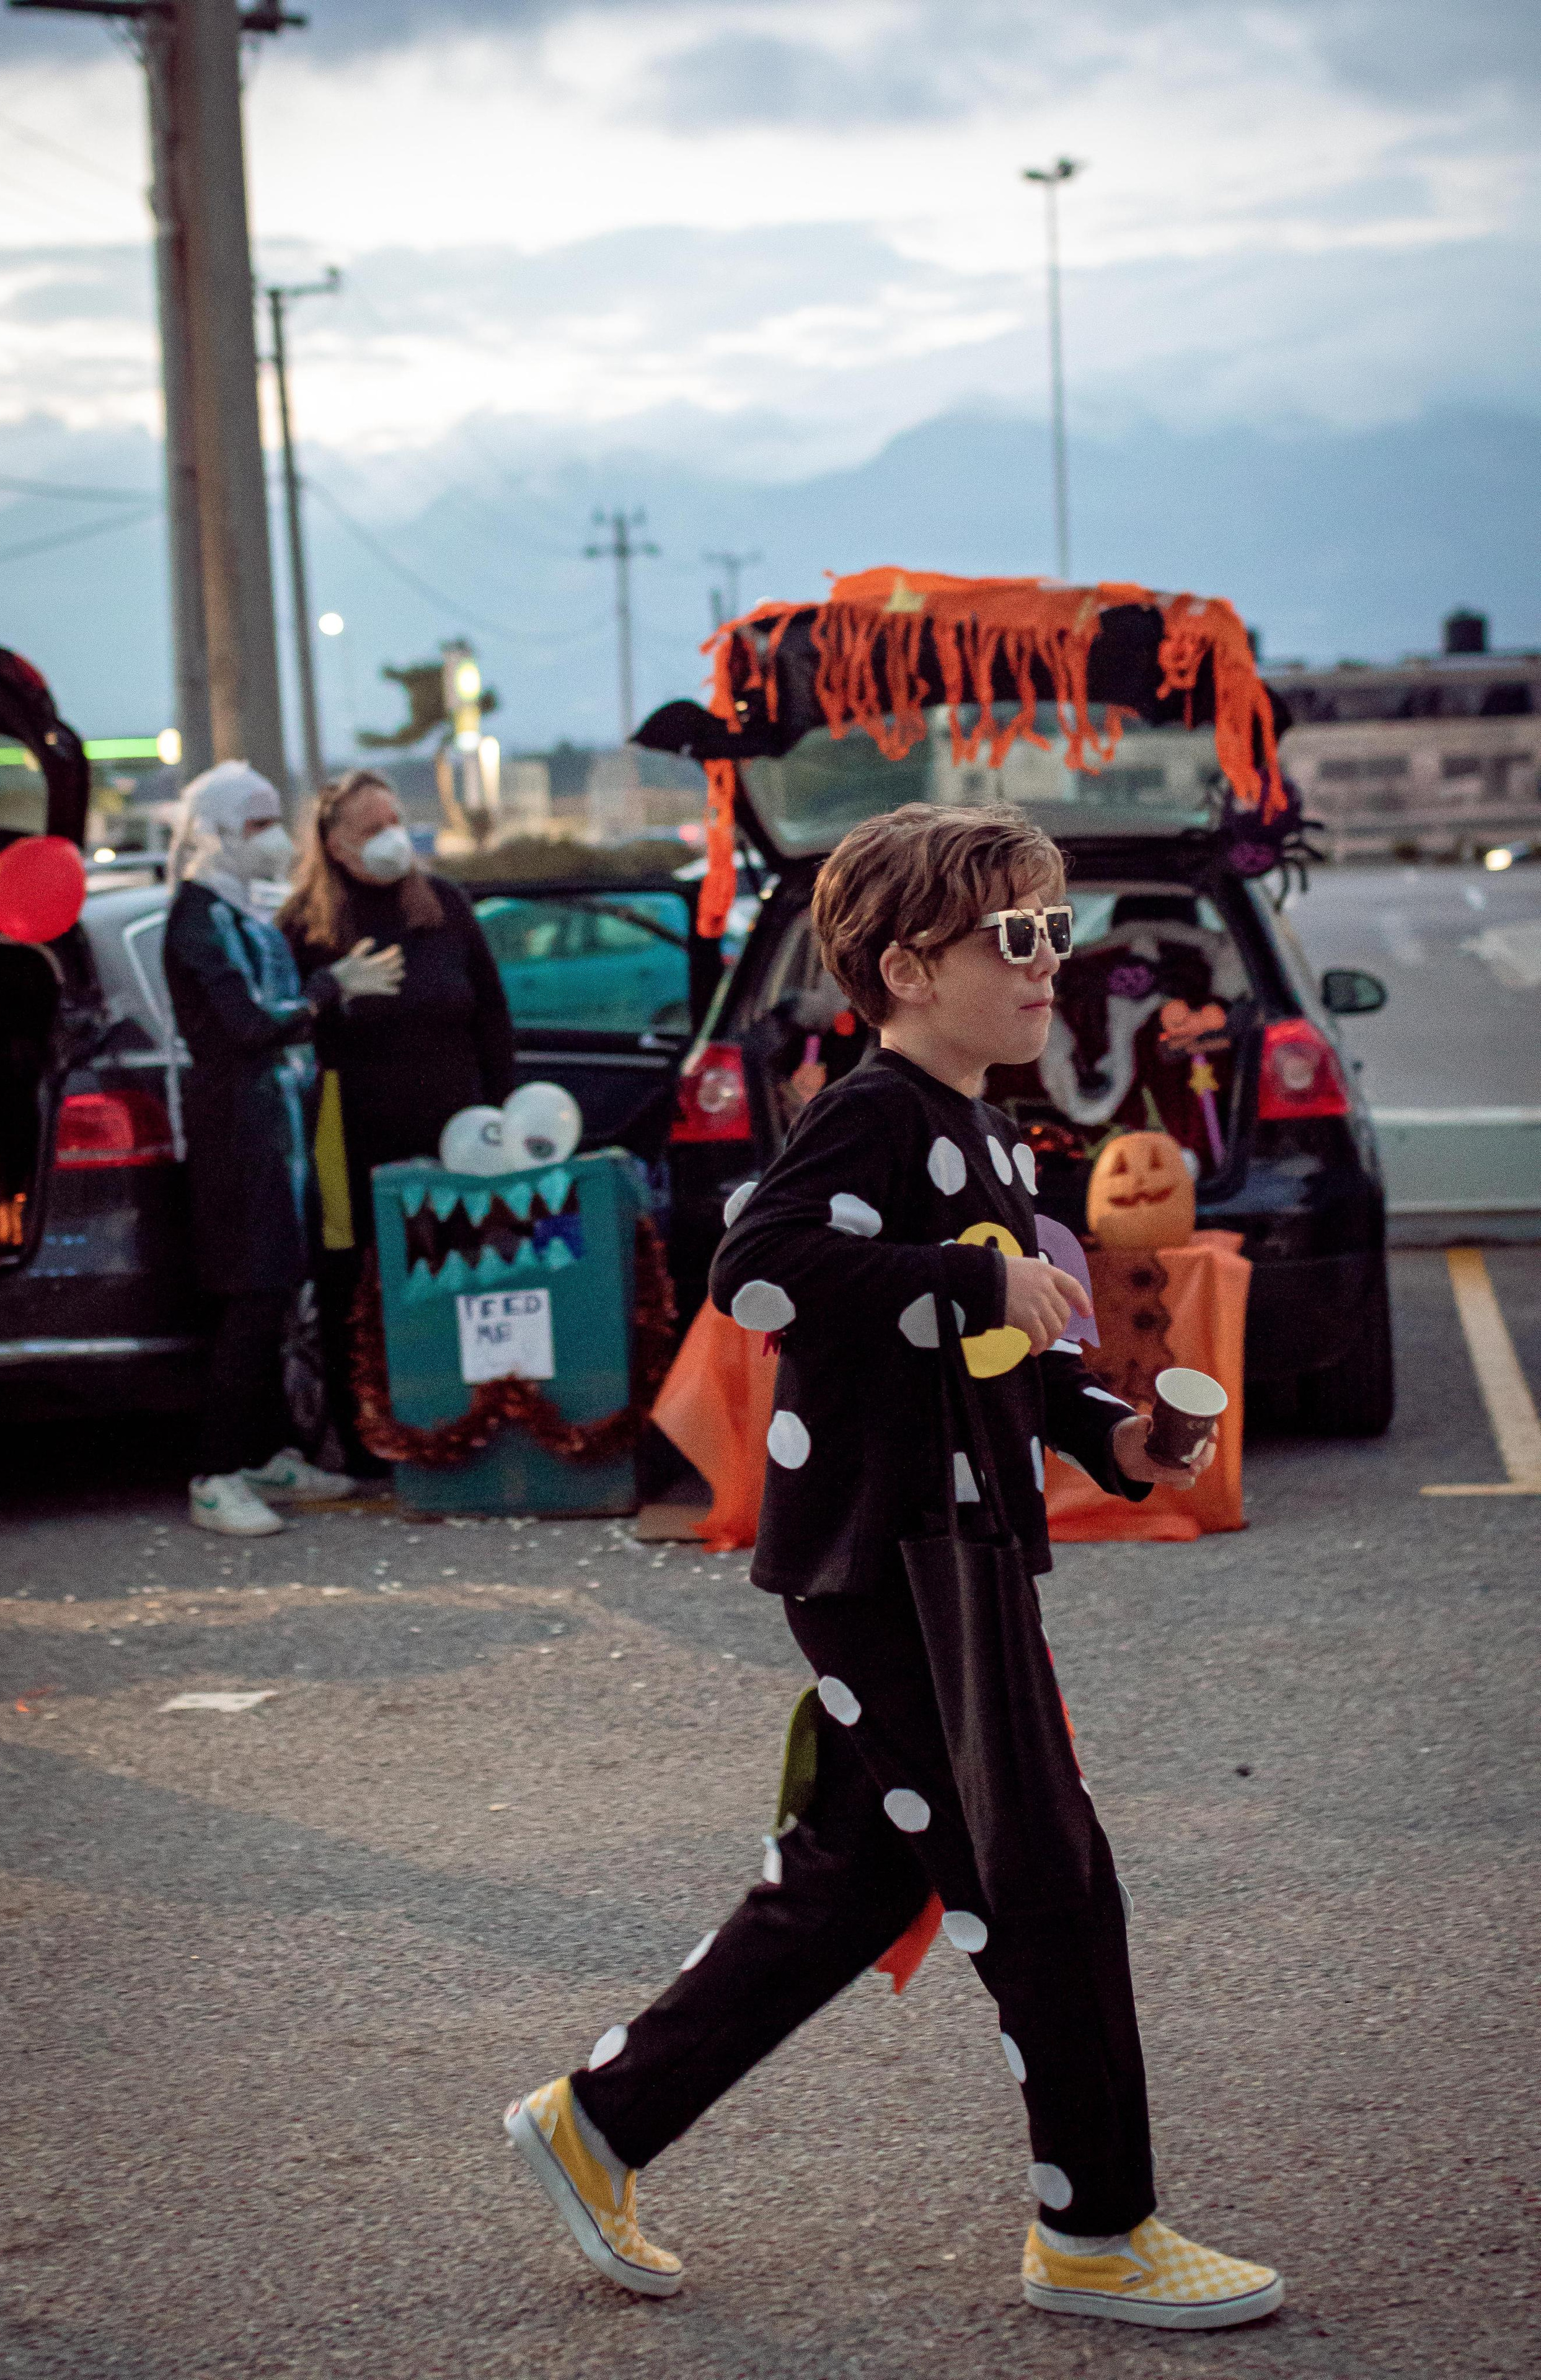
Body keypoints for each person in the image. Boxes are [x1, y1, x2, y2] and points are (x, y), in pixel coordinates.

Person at [503, 803, 1284, 2332]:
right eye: (1019, 935)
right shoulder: (876, 1113)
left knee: (857, 1875)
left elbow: (994, 1348)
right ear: (908, 965)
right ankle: (1094, 2228)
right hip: (887, 1554)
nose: (1051, 961)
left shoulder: (982, 1121)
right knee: (1041, 1877)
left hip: (945, 1540)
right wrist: (968, 1271)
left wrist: (1105, 1432)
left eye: (1057, 929)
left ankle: (595, 2122)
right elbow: (758, 1263)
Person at [162, 761, 403, 1535]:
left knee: (277, 1292)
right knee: (252, 1295)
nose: (272, 839)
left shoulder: (243, 910)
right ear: (219, 832)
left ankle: (264, 1450)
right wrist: (333, 987)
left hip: (280, 1129)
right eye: (256, 825)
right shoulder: (199, 916)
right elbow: (247, 1025)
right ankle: (214, 1471)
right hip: (239, 1134)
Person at [276, 769, 514, 1475]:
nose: (390, 838)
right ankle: (361, 1440)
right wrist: (332, 998)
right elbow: (284, 1030)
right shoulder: (305, 926)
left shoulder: (441, 904)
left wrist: (502, 1111)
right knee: (347, 1274)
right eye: (370, 828)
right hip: (341, 1131)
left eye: (393, 820)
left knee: (457, 1266)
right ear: (335, 845)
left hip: (453, 1123)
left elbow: (492, 1018)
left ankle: (465, 1419)